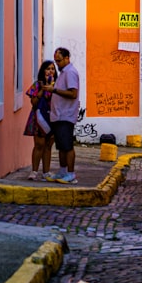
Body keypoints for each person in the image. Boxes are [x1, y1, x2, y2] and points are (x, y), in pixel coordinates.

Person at [48, 46, 81, 184]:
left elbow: (73, 94)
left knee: (67, 146)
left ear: (67, 58)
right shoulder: (63, 72)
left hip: (66, 115)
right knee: (61, 145)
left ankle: (71, 174)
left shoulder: (70, 73)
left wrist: (54, 90)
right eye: (56, 61)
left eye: (59, 61)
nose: (57, 64)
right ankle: (62, 172)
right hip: (59, 115)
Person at [24, 60, 57, 181]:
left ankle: (46, 172)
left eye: (52, 69)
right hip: (39, 118)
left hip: (52, 118)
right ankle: (34, 171)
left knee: (48, 145)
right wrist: (42, 90)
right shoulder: (37, 85)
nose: (50, 71)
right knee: (39, 145)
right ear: (43, 71)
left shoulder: (57, 85)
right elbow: (33, 102)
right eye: (48, 68)